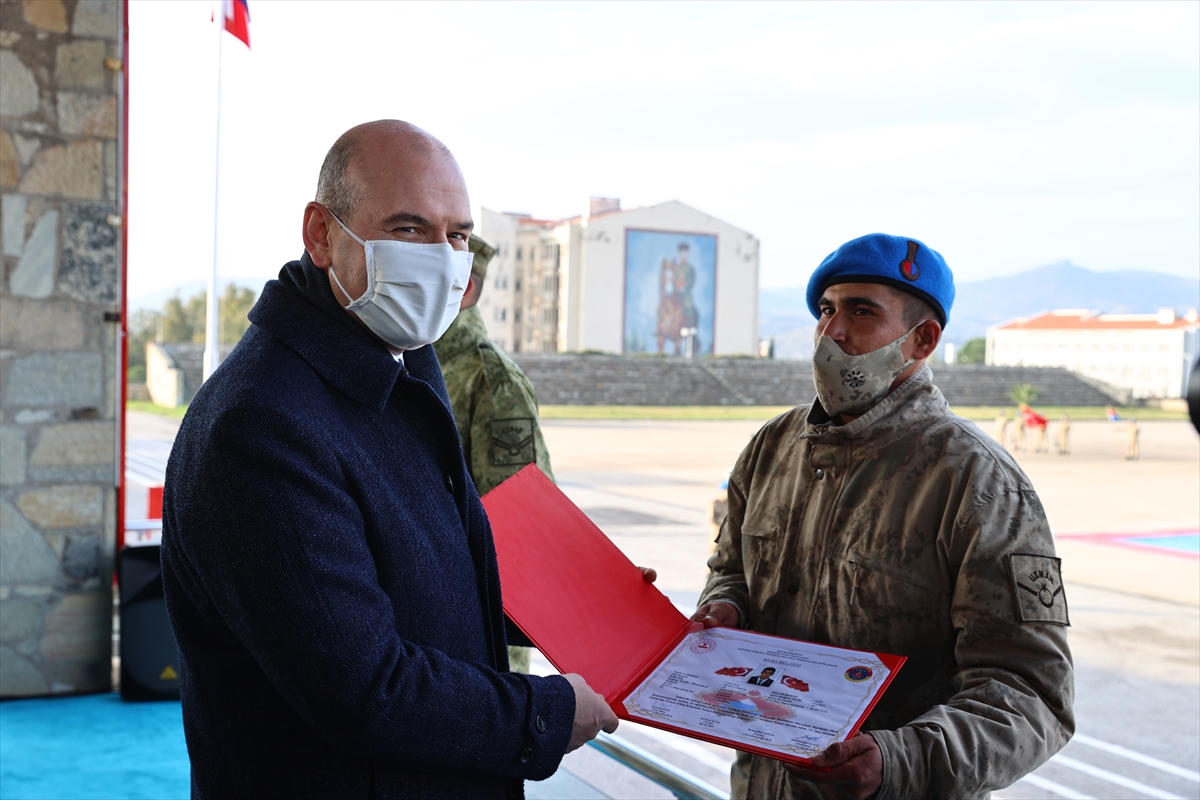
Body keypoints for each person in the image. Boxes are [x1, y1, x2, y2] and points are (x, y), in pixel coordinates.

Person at [160, 120, 618, 799]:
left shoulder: (395, 359)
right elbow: (362, 685)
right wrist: (546, 714)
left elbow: (416, 578)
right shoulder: (262, 424)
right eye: (408, 229)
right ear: (322, 234)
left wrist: (578, 606)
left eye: (457, 235)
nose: (440, 259)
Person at [691, 233, 1073, 799]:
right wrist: (723, 608)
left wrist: (898, 760)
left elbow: (1032, 695)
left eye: (861, 311)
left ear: (922, 340)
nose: (832, 332)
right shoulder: (772, 449)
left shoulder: (977, 481)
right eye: (827, 309)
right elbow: (732, 571)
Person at [433, 233, 555, 673]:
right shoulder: (408, 361)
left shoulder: (491, 380)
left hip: (477, 654)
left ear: (464, 287)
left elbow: (522, 525)